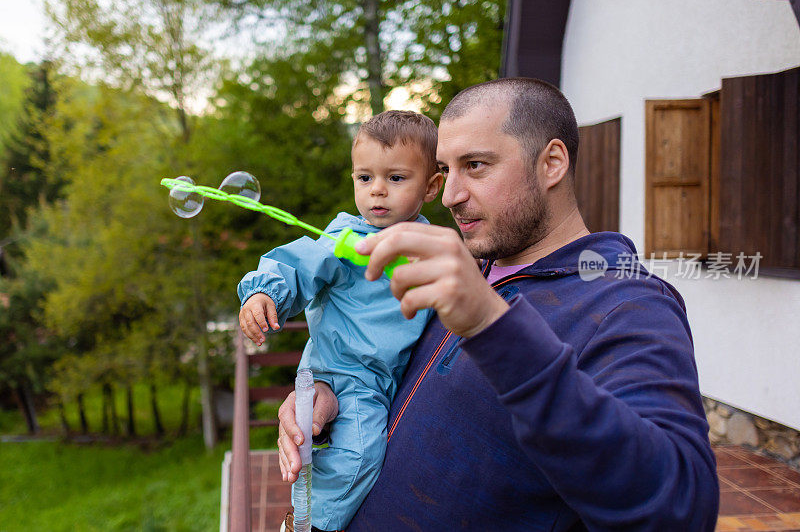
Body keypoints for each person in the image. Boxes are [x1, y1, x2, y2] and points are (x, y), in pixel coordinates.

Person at [276, 78, 720, 531]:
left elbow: (680, 508)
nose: (450, 195)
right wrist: (330, 398)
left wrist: (492, 325)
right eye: (446, 170)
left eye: (475, 165)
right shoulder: (454, 272)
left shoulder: (626, 305)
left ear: (551, 163)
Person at [238, 110, 443, 531]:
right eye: (364, 178)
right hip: (343, 371)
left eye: (396, 178)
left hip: (382, 378)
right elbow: (298, 265)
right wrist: (264, 292)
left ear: (432, 186)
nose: (377, 192)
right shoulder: (350, 240)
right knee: (358, 454)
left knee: (336, 445)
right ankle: (311, 524)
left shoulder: (438, 248)